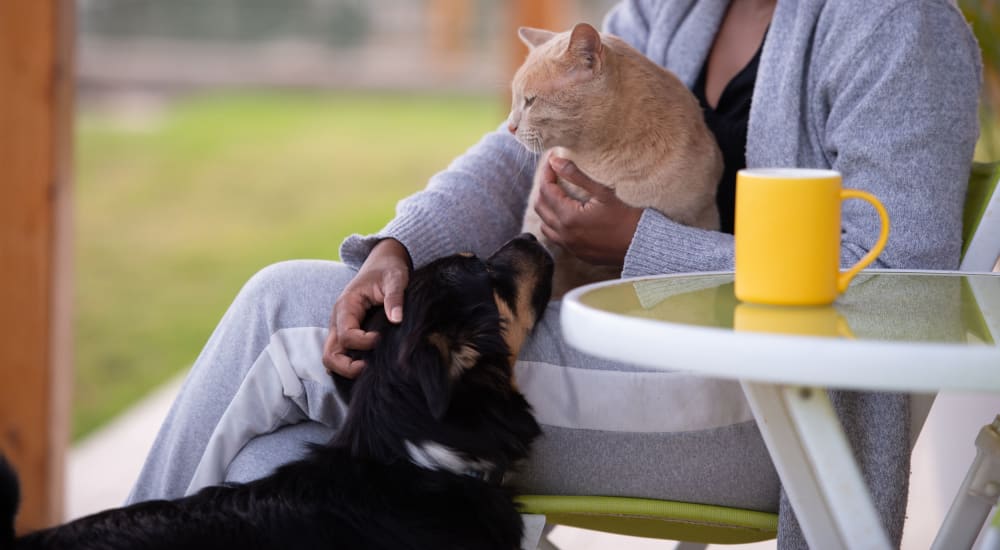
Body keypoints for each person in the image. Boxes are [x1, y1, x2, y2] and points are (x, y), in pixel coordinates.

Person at [127, 0, 982, 547]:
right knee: (272, 467)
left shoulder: (896, 24)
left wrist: (640, 242)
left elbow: (901, 280)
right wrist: (399, 247)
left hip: (776, 412)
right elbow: (511, 158)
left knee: (283, 310)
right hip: (627, 363)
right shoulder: (676, 10)